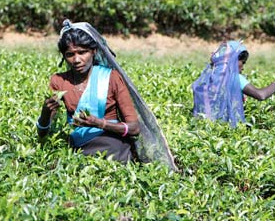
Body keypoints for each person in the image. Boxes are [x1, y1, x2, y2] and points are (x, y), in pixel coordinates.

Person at [37, 19, 177, 170]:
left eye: (82, 52)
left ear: (94, 51)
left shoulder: (111, 77)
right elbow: (43, 133)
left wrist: (99, 123)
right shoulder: (59, 81)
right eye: (70, 54)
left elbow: (134, 128)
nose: (77, 60)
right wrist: (45, 112)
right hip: (79, 148)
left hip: (114, 148)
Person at [192, 40, 275, 127]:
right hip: (226, 129)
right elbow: (261, 95)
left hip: (205, 126)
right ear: (233, 60)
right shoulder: (235, 78)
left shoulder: (209, 75)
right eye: (242, 62)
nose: (243, 67)